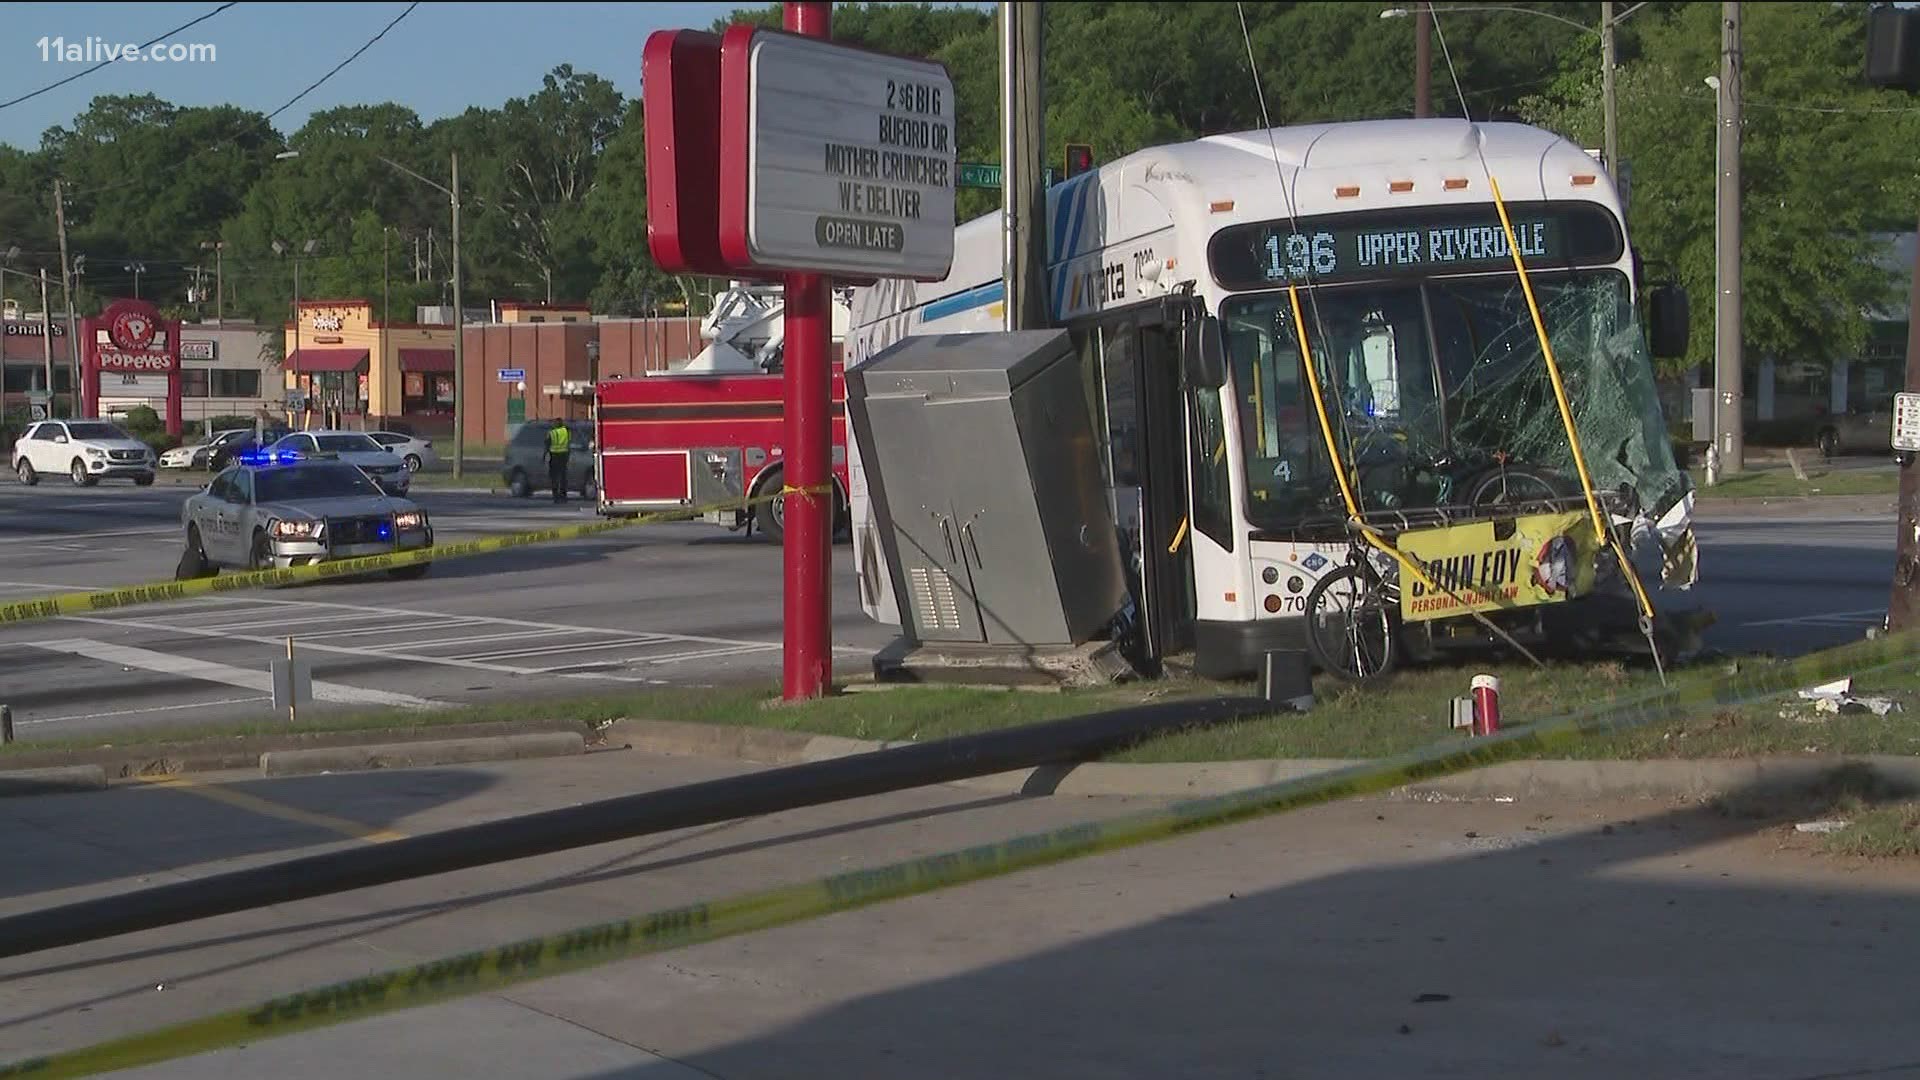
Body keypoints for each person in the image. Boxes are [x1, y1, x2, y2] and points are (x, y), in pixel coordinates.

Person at [544, 421, 572, 504]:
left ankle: (555, 496)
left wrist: (544, 455)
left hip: (554, 456)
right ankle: (564, 496)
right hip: (564, 455)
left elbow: (547, 444)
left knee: (554, 477)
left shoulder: (552, 432)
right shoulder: (566, 431)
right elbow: (569, 441)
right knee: (563, 476)